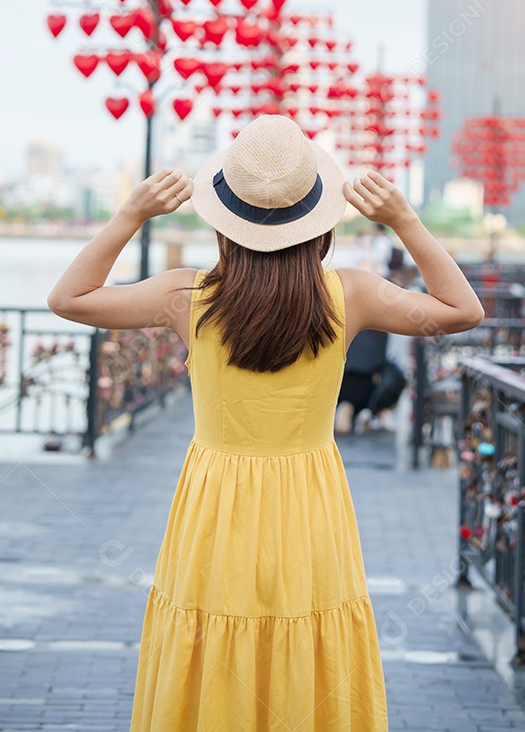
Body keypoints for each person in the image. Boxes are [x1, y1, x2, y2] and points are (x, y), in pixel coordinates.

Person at [47, 115, 484, 732]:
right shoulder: (351, 294)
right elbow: (463, 310)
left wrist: (131, 214)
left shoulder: (188, 297)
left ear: (224, 220)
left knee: (212, 630)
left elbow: (68, 299)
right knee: (307, 630)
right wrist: (404, 220)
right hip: (309, 497)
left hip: (215, 500)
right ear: (319, 223)